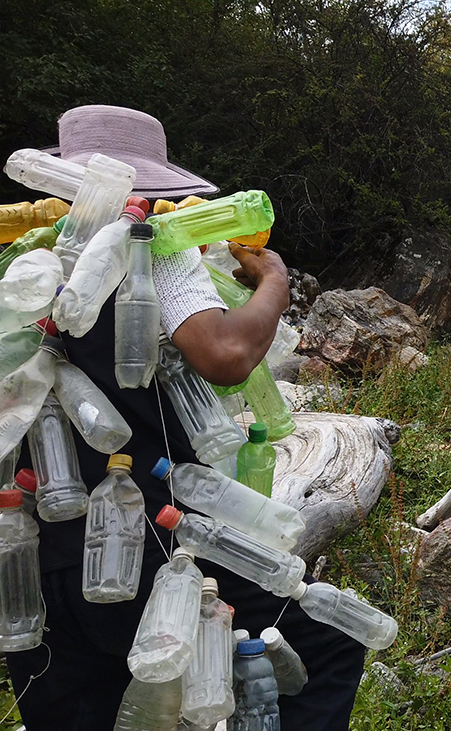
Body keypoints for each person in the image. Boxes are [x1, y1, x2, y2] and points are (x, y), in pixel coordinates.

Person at [4, 105, 366, 730]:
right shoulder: (158, 252)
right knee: (329, 643)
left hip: (37, 553)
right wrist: (274, 282)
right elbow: (225, 354)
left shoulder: (20, 267)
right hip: (154, 539)